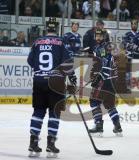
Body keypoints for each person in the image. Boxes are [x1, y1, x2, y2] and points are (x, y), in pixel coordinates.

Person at [27, 17, 75, 158]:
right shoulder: (61, 42)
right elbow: (67, 63)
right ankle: (51, 143)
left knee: (38, 111)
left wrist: (41, 72)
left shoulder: (37, 42)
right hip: (56, 83)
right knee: (54, 113)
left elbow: (30, 61)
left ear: (47, 28)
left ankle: (33, 142)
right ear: (57, 28)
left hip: (39, 81)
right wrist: (72, 77)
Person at [88, 29, 122, 136]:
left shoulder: (104, 47)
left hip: (106, 79)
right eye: (96, 36)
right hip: (113, 79)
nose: (98, 38)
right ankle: (117, 126)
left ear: (104, 36)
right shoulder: (104, 46)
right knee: (109, 104)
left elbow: (106, 63)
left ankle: (98, 125)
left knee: (94, 101)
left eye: (100, 36)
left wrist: (99, 78)